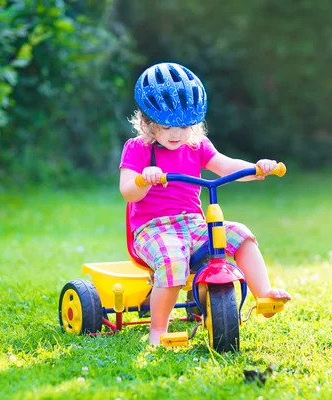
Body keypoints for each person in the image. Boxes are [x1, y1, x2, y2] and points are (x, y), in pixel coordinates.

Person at [119, 62, 291, 345]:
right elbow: (128, 192)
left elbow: (227, 167)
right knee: (173, 258)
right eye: (167, 127)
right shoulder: (137, 149)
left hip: (193, 224)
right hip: (153, 230)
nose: (177, 134)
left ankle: (264, 295)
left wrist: (257, 168)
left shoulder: (196, 146)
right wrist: (144, 179)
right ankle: (158, 330)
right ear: (147, 123)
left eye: (185, 126)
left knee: (239, 234)